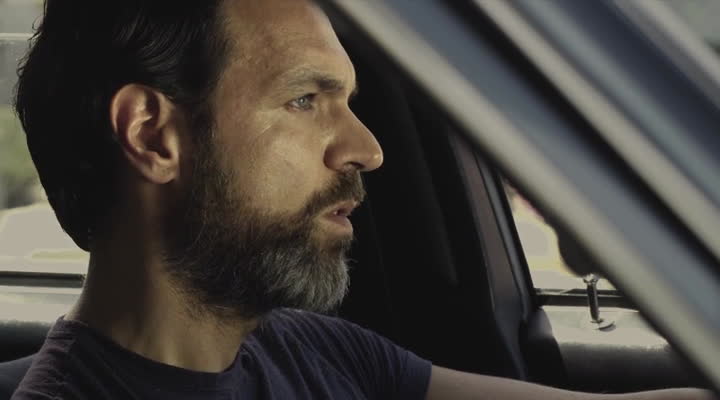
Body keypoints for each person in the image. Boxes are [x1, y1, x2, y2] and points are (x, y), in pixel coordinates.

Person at [10, 0, 716, 399]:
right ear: (153, 135)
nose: (367, 149)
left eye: (347, 101)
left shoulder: (308, 349)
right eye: (305, 99)